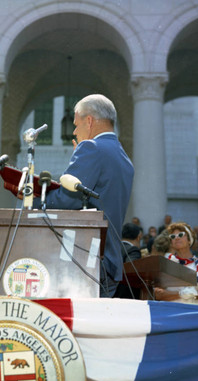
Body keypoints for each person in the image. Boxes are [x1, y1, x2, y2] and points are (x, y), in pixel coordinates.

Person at [35, 94, 134, 297]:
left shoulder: (91, 148)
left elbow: (66, 200)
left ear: (89, 121)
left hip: (84, 260)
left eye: (76, 124)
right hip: (108, 261)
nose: (74, 131)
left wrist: (34, 200)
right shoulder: (124, 157)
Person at [154, 222, 198, 304]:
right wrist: (181, 295)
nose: (177, 238)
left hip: (195, 312)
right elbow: (157, 294)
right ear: (171, 243)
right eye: (173, 236)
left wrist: (197, 295)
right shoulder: (166, 263)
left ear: (189, 240)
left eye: (181, 235)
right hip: (172, 312)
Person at [114, 223, 142, 299]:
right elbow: (132, 270)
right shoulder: (133, 250)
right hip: (126, 294)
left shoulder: (113, 248)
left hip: (110, 292)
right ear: (139, 237)